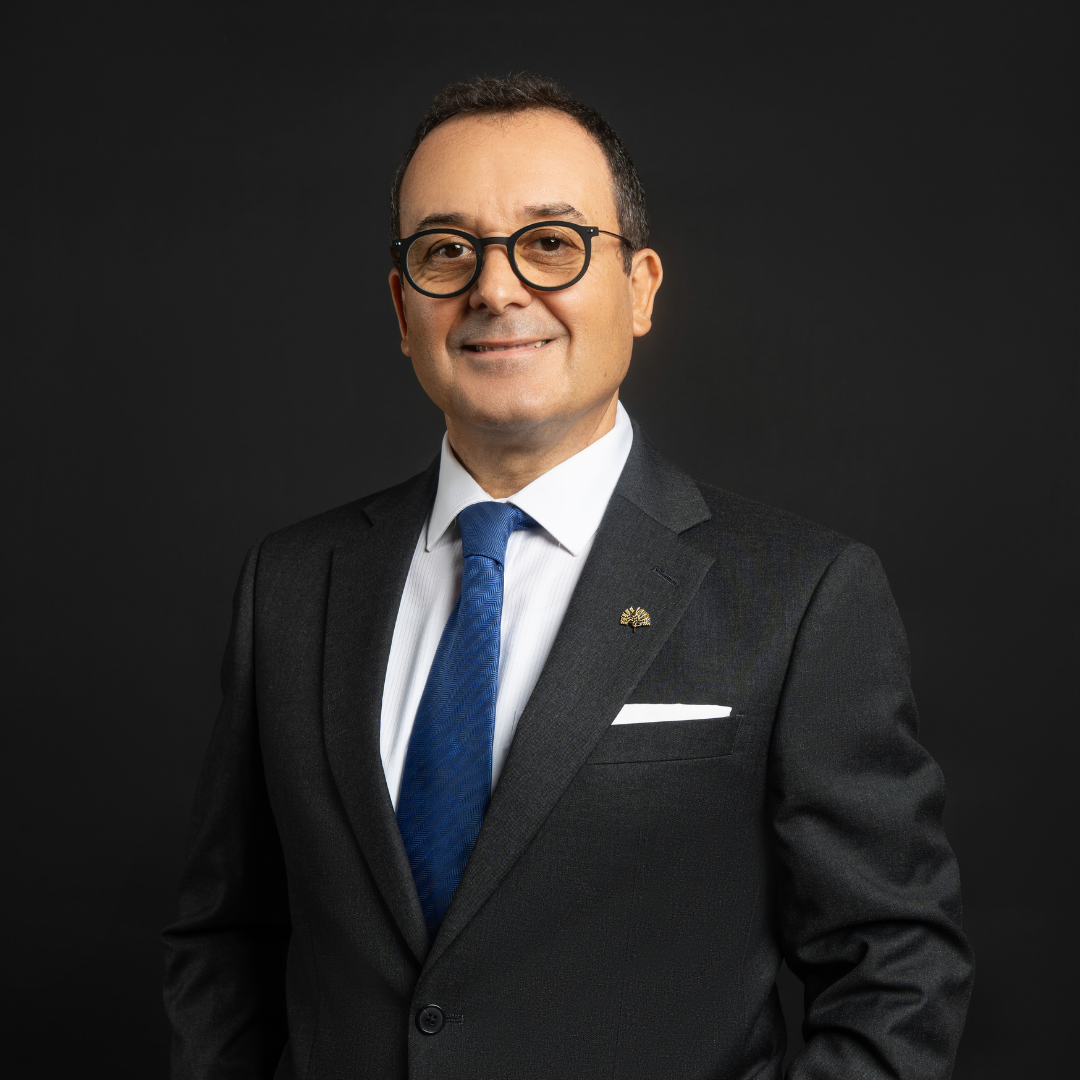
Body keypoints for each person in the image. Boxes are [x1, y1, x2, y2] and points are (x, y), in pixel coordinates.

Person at [163, 73, 974, 1080]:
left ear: (639, 288)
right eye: (446, 250)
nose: (496, 289)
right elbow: (228, 943)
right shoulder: (290, 585)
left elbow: (897, 971)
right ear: (402, 306)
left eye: (551, 242)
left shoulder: (803, 596)